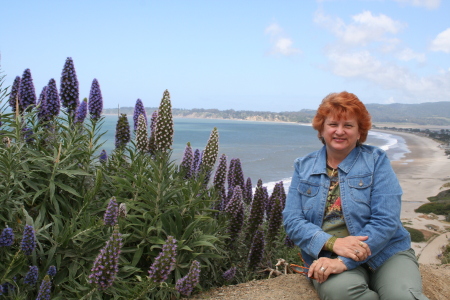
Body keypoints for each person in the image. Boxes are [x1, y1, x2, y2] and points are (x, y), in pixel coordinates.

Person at [283, 92, 428, 300]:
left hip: (386, 252)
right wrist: (333, 243)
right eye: (333, 124)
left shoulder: (376, 160)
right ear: (321, 129)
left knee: (402, 295)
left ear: (360, 131)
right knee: (340, 292)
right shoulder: (303, 167)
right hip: (328, 256)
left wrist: (344, 261)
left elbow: (386, 220)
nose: (339, 131)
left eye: (348, 126)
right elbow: (293, 220)